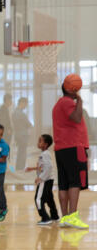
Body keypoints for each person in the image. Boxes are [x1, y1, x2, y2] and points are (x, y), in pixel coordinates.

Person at [52, 76, 90, 230]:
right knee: (75, 182)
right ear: (71, 89)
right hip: (73, 147)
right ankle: (73, 217)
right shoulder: (68, 102)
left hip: (61, 149)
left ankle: (66, 217)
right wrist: (79, 100)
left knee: (64, 184)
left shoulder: (58, 104)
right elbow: (76, 117)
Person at [26, 134, 59, 226]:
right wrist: (32, 168)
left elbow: (48, 167)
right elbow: (42, 167)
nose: (38, 143)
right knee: (49, 199)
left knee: (38, 199)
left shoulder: (45, 154)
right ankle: (55, 216)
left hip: (45, 181)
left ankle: (45, 218)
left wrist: (40, 178)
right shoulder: (45, 154)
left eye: (40, 141)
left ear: (45, 144)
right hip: (49, 180)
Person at [12, 97, 33, 170]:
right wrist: (29, 125)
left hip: (19, 135)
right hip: (22, 135)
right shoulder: (19, 113)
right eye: (26, 104)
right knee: (22, 153)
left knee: (21, 152)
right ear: (22, 103)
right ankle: (20, 169)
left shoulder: (16, 112)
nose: (26, 106)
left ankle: (19, 169)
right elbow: (27, 123)